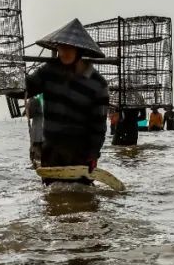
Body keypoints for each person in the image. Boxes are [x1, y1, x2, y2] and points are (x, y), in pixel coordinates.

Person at [25, 18, 110, 180]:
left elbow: (99, 125)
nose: (63, 52)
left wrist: (93, 154)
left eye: (68, 48)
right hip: (51, 150)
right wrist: (12, 81)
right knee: (53, 196)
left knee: (81, 197)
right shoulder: (48, 72)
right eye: (60, 48)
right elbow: (26, 88)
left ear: (79, 50)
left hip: (80, 152)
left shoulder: (98, 84)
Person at [27, 94, 45, 166]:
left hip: (39, 133)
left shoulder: (36, 100)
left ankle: (37, 160)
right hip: (39, 133)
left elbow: (30, 114)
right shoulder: (37, 100)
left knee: (37, 147)